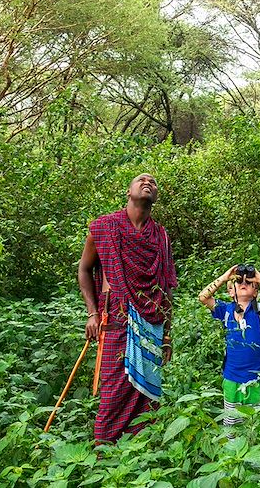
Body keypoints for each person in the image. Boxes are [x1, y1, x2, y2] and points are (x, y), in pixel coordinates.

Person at [78, 173, 177, 442]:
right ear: (128, 191)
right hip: (116, 319)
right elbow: (85, 270)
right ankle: (103, 451)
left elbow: (166, 286)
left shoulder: (161, 235)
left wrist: (167, 334)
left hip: (152, 323)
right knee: (113, 393)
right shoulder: (104, 227)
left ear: (155, 196)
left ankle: (140, 453)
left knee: (147, 396)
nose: (148, 183)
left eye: (154, 182)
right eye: (141, 180)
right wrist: (92, 312)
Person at [198, 265, 260, 427]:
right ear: (231, 292)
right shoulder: (225, 310)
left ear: (256, 292)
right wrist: (224, 277)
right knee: (232, 425)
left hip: (259, 379)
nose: (243, 283)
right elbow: (203, 297)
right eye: (238, 282)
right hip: (232, 379)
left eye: (249, 283)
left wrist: (259, 278)